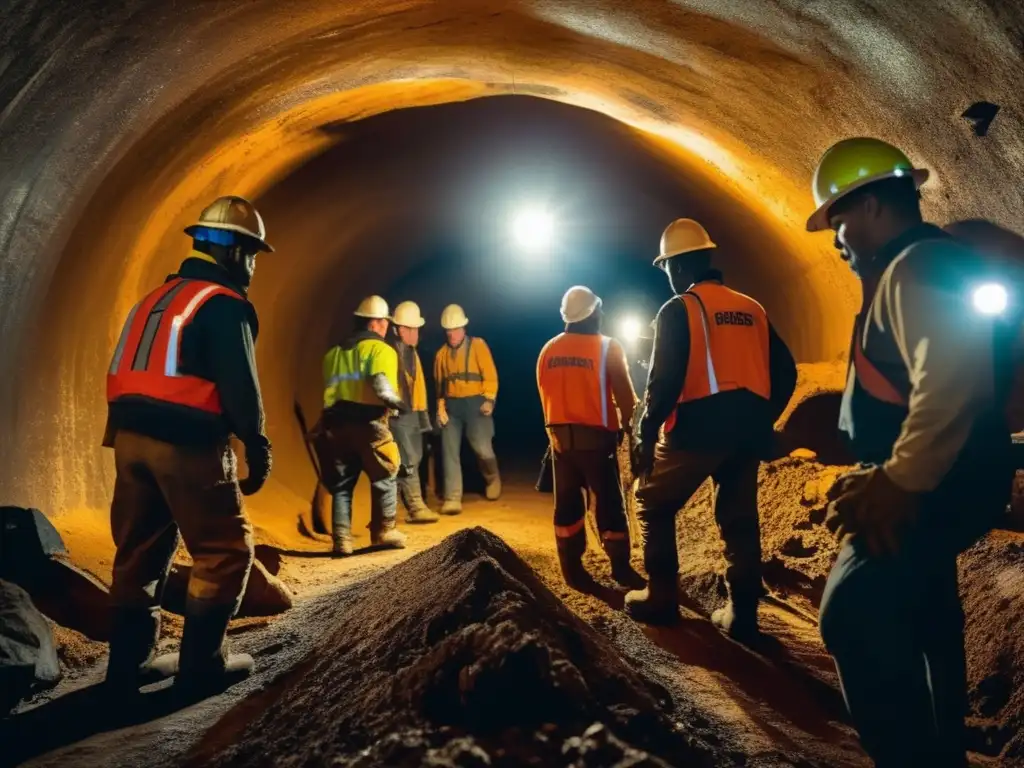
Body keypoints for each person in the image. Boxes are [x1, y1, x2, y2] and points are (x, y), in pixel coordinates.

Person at [808, 138, 1016, 767]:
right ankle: (943, 752)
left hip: (937, 476)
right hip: (945, 470)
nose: (837, 241)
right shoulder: (917, 265)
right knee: (927, 612)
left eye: (838, 221)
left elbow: (949, 378)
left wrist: (898, 480)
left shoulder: (917, 265)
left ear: (870, 206)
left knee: (850, 612)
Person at [103, 195, 273, 699]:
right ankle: (203, 667)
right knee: (223, 550)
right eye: (253, 255)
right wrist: (257, 443)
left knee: (138, 552)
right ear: (234, 252)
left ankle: (127, 669)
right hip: (187, 442)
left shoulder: (157, 298)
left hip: (128, 439)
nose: (254, 267)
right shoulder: (224, 305)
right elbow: (241, 388)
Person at [626, 218, 797, 634]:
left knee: (652, 500)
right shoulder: (751, 307)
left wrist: (645, 437)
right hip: (748, 430)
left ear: (679, 267)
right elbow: (786, 371)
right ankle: (743, 615)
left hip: (698, 428)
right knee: (739, 518)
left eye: (666, 267)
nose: (667, 275)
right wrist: (762, 417)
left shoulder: (679, 308)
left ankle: (661, 597)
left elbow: (663, 382)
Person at [536, 286, 646, 591]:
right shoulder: (607, 347)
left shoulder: (548, 350)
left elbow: (546, 395)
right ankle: (621, 569)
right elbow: (626, 399)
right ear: (594, 312)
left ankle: (572, 569)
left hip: (560, 443)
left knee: (567, 506)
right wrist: (631, 432)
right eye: (600, 309)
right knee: (609, 505)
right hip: (597, 443)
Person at [314, 296, 409, 556]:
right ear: (377, 323)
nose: (387, 327)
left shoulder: (333, 354)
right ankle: (383, 531)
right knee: (385, 474)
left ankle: (342, 539)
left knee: (343, 485)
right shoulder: (380, 350)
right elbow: (380, 384)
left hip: (336, 425)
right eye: (385, 322)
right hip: (369, 424)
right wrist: (398, 404)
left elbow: (329, 393)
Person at [433, 304, 501, 514]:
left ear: (464, 328)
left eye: (456, 329)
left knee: (482, 448)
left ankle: (492, 477)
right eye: (448, 330)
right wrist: (440, 408)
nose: (452, 334)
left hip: (476, 403)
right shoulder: (441, 355)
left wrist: (489, 399)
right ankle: (453, 498)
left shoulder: (478, 346)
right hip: (452, 406)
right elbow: (439, 387)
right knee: (449, 451)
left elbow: (489, 374)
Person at [389, 301, 439, 524]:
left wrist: (422, 416)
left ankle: (408, 503)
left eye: (415, 328)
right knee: (408, 459)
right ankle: (416, 507)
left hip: (413, 413)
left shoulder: (412, 353)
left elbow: (417, 386)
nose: (412, 333)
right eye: (407, 328)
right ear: (397, 329)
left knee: (415, 458)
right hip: (397, 414)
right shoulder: (391, 352)